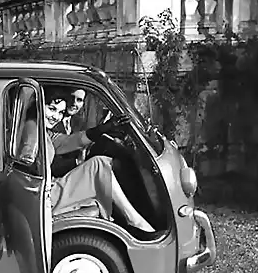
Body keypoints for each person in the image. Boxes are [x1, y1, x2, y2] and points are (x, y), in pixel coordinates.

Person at [18, 89, 163, 241]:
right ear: (39, 106)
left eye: (60, 112)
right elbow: (27, 157)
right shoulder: (32, 127)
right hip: (43, 195)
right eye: (52, 109)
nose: (56, 116)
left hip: (45, 191)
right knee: (99, 164)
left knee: (101, 164)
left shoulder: (44, 132)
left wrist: (104, 129)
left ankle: (133, 220)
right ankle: (134, 221)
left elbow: (73, 141)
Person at [51, 88, 87, 177]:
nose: (74, 103)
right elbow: (51, 163)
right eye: (71, 98)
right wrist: (77, 162)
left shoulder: (80, 123)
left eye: (79, 100)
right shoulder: (51, 121)